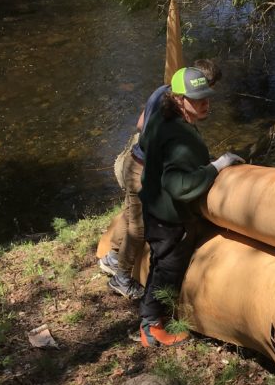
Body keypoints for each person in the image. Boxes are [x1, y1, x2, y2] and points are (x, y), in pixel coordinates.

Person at [136, 66, 244, 346]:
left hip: (154, 208)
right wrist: (216, 167)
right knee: (167, 268)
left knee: (161, 262)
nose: (205, 103)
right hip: (169, 218)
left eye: (206, 97)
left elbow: (145, 140)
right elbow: (179, 186)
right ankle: (151, 326)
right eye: (196, 99)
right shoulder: (179, 136)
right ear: (179, 99)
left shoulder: (162, 117)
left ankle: (156, 315)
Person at [99, 60, 223, 300]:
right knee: (139, 227)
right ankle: (121, 278)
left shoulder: (162, 91)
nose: (206, 97)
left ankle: (112, 257)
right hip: (143, 168)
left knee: (130, 212)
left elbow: (140, 125)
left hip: (135, 158)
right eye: (206, 88)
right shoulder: (177, 111)